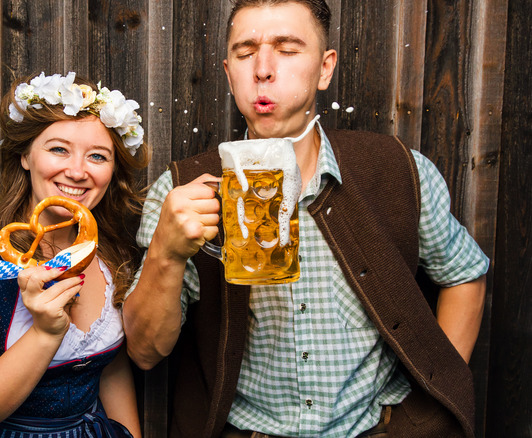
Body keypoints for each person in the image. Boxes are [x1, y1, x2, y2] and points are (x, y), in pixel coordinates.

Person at [122, 1, 489, 437]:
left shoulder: (397, 170)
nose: (263, 68)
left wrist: (430, 402)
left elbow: (465, 274)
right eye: (245, 52)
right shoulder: (179, 190)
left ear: (325, 68)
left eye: (287, 48)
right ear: (228, 72)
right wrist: (166, 251)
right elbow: (145, 353)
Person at [0, 72, 149, 437]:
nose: (76, 171)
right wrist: (45, 332)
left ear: (112, 169)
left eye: (98, 156)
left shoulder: (107, 253)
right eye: (58, 149)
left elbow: (110, 368)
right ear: (25, 155)